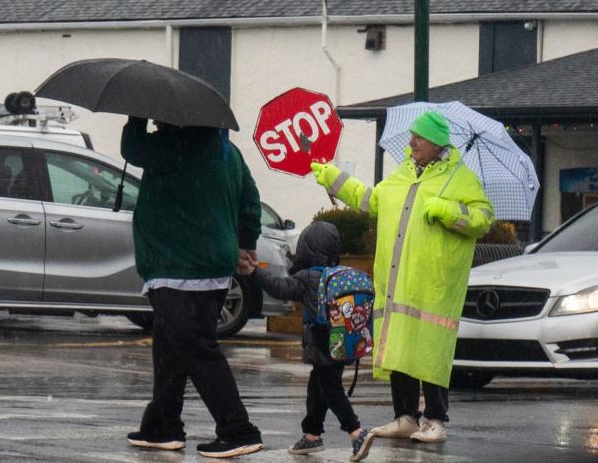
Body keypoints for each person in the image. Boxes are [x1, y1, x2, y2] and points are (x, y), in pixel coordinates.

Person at [310, 111, 493, 443]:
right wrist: (332, 176)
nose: (411, 142)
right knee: (400, 349)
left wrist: (450, 210)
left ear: (437, 143)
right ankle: (405, 417)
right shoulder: (401, 174)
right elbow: (372, 200)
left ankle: (435, 419)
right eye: (411, 136)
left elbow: (483, 219)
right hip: (398, 283)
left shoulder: (460, 178)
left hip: (434, 286)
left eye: (418, 137)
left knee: (430, 351)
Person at [121, 117, 263, 459]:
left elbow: (132, 149)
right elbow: (251, 201)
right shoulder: (229, 153)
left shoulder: (170, 147)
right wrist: (246, 242)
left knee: (197, 348)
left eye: (160, 115)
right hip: (214, 267)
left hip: (177, 266)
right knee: (170, 348)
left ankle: (238, 429)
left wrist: (135, 118)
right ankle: (161, 425)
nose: (156, 119)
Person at [242, 221, 374, 461]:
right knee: (317, 388)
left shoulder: (308, 277)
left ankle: (357, 432)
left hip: (322, 344)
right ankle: (312, 436)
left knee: (331, 390)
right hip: (341, 343)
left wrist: (255, 271)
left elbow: (279, 288)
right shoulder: (339, 273)